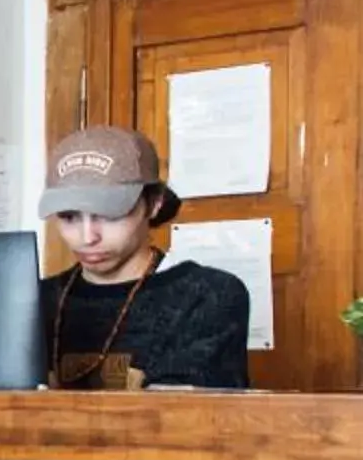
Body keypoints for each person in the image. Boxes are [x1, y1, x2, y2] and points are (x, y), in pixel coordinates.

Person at [37, 124, 251, 389]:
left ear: (154, 203)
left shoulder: (206, 296)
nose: (87, 237)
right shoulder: (33, 301)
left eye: (109, 215)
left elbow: (190, 420)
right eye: (69, 217)